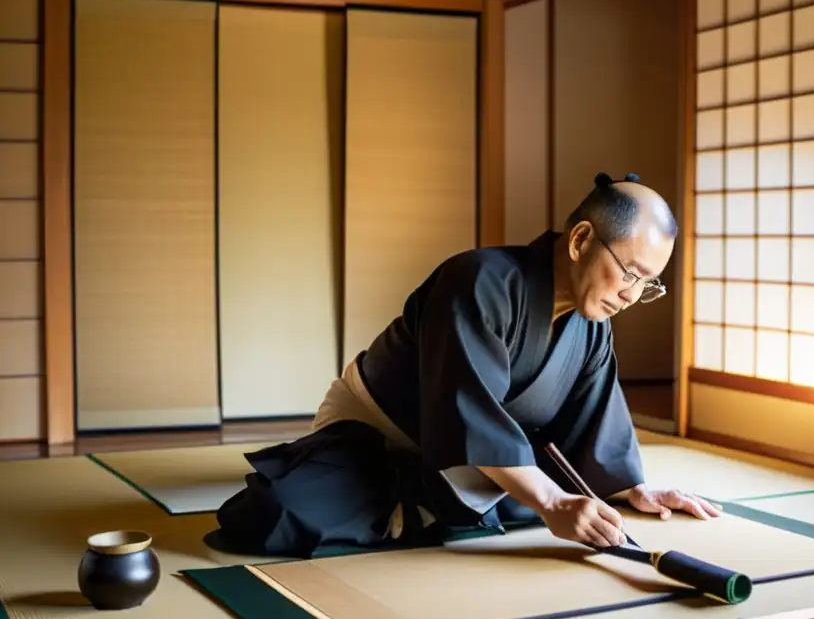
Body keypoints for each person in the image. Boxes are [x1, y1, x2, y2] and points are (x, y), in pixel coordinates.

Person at [210, 172, 720, 559]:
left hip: (470, 458)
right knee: (275, 515)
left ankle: (429, 502)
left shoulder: (592, 327)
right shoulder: (479, 281)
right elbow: (466, 408)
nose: (632, 295)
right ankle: (429, 500)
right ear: (581, 239)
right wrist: (551, 503)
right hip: (376, 434)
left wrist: (631, 488)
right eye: (630, 272)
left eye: (648, 284)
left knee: (566, 501)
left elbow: (594, 425)